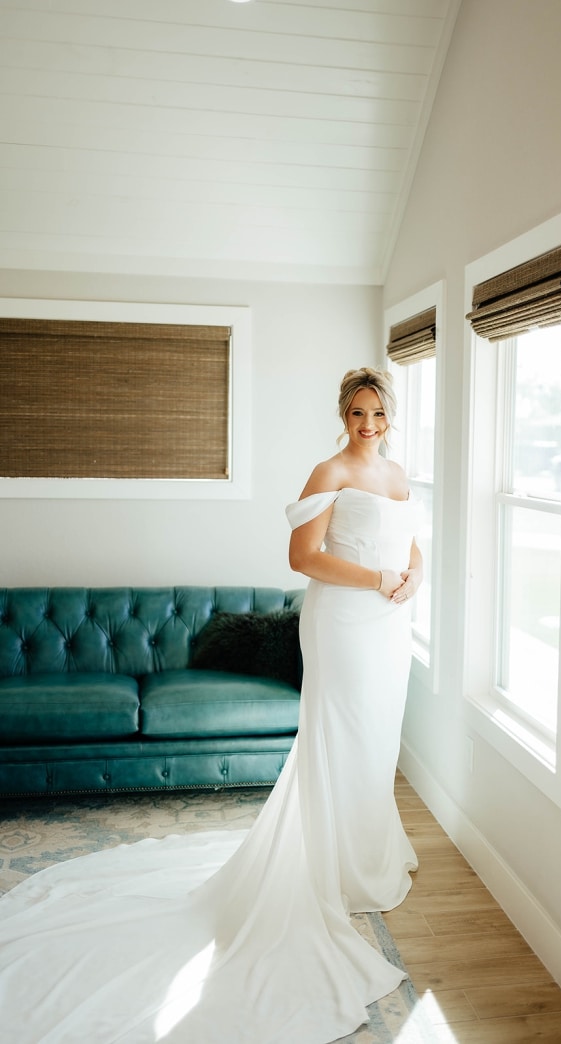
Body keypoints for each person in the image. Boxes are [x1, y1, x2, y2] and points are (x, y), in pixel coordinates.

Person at [0, 367, 424, 1042]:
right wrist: (377, 578)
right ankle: (330, 865)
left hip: (390, 624)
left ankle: (368, 854)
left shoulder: (398, 474)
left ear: (390, 415)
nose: (368, 424)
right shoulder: (330, 471)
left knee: (377, 739)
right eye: (357, 413)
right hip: (344, 620)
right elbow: (302, 557)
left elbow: (410, 542)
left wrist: (413, 577)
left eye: (377, 413)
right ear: (343, 415)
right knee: (340, 736)